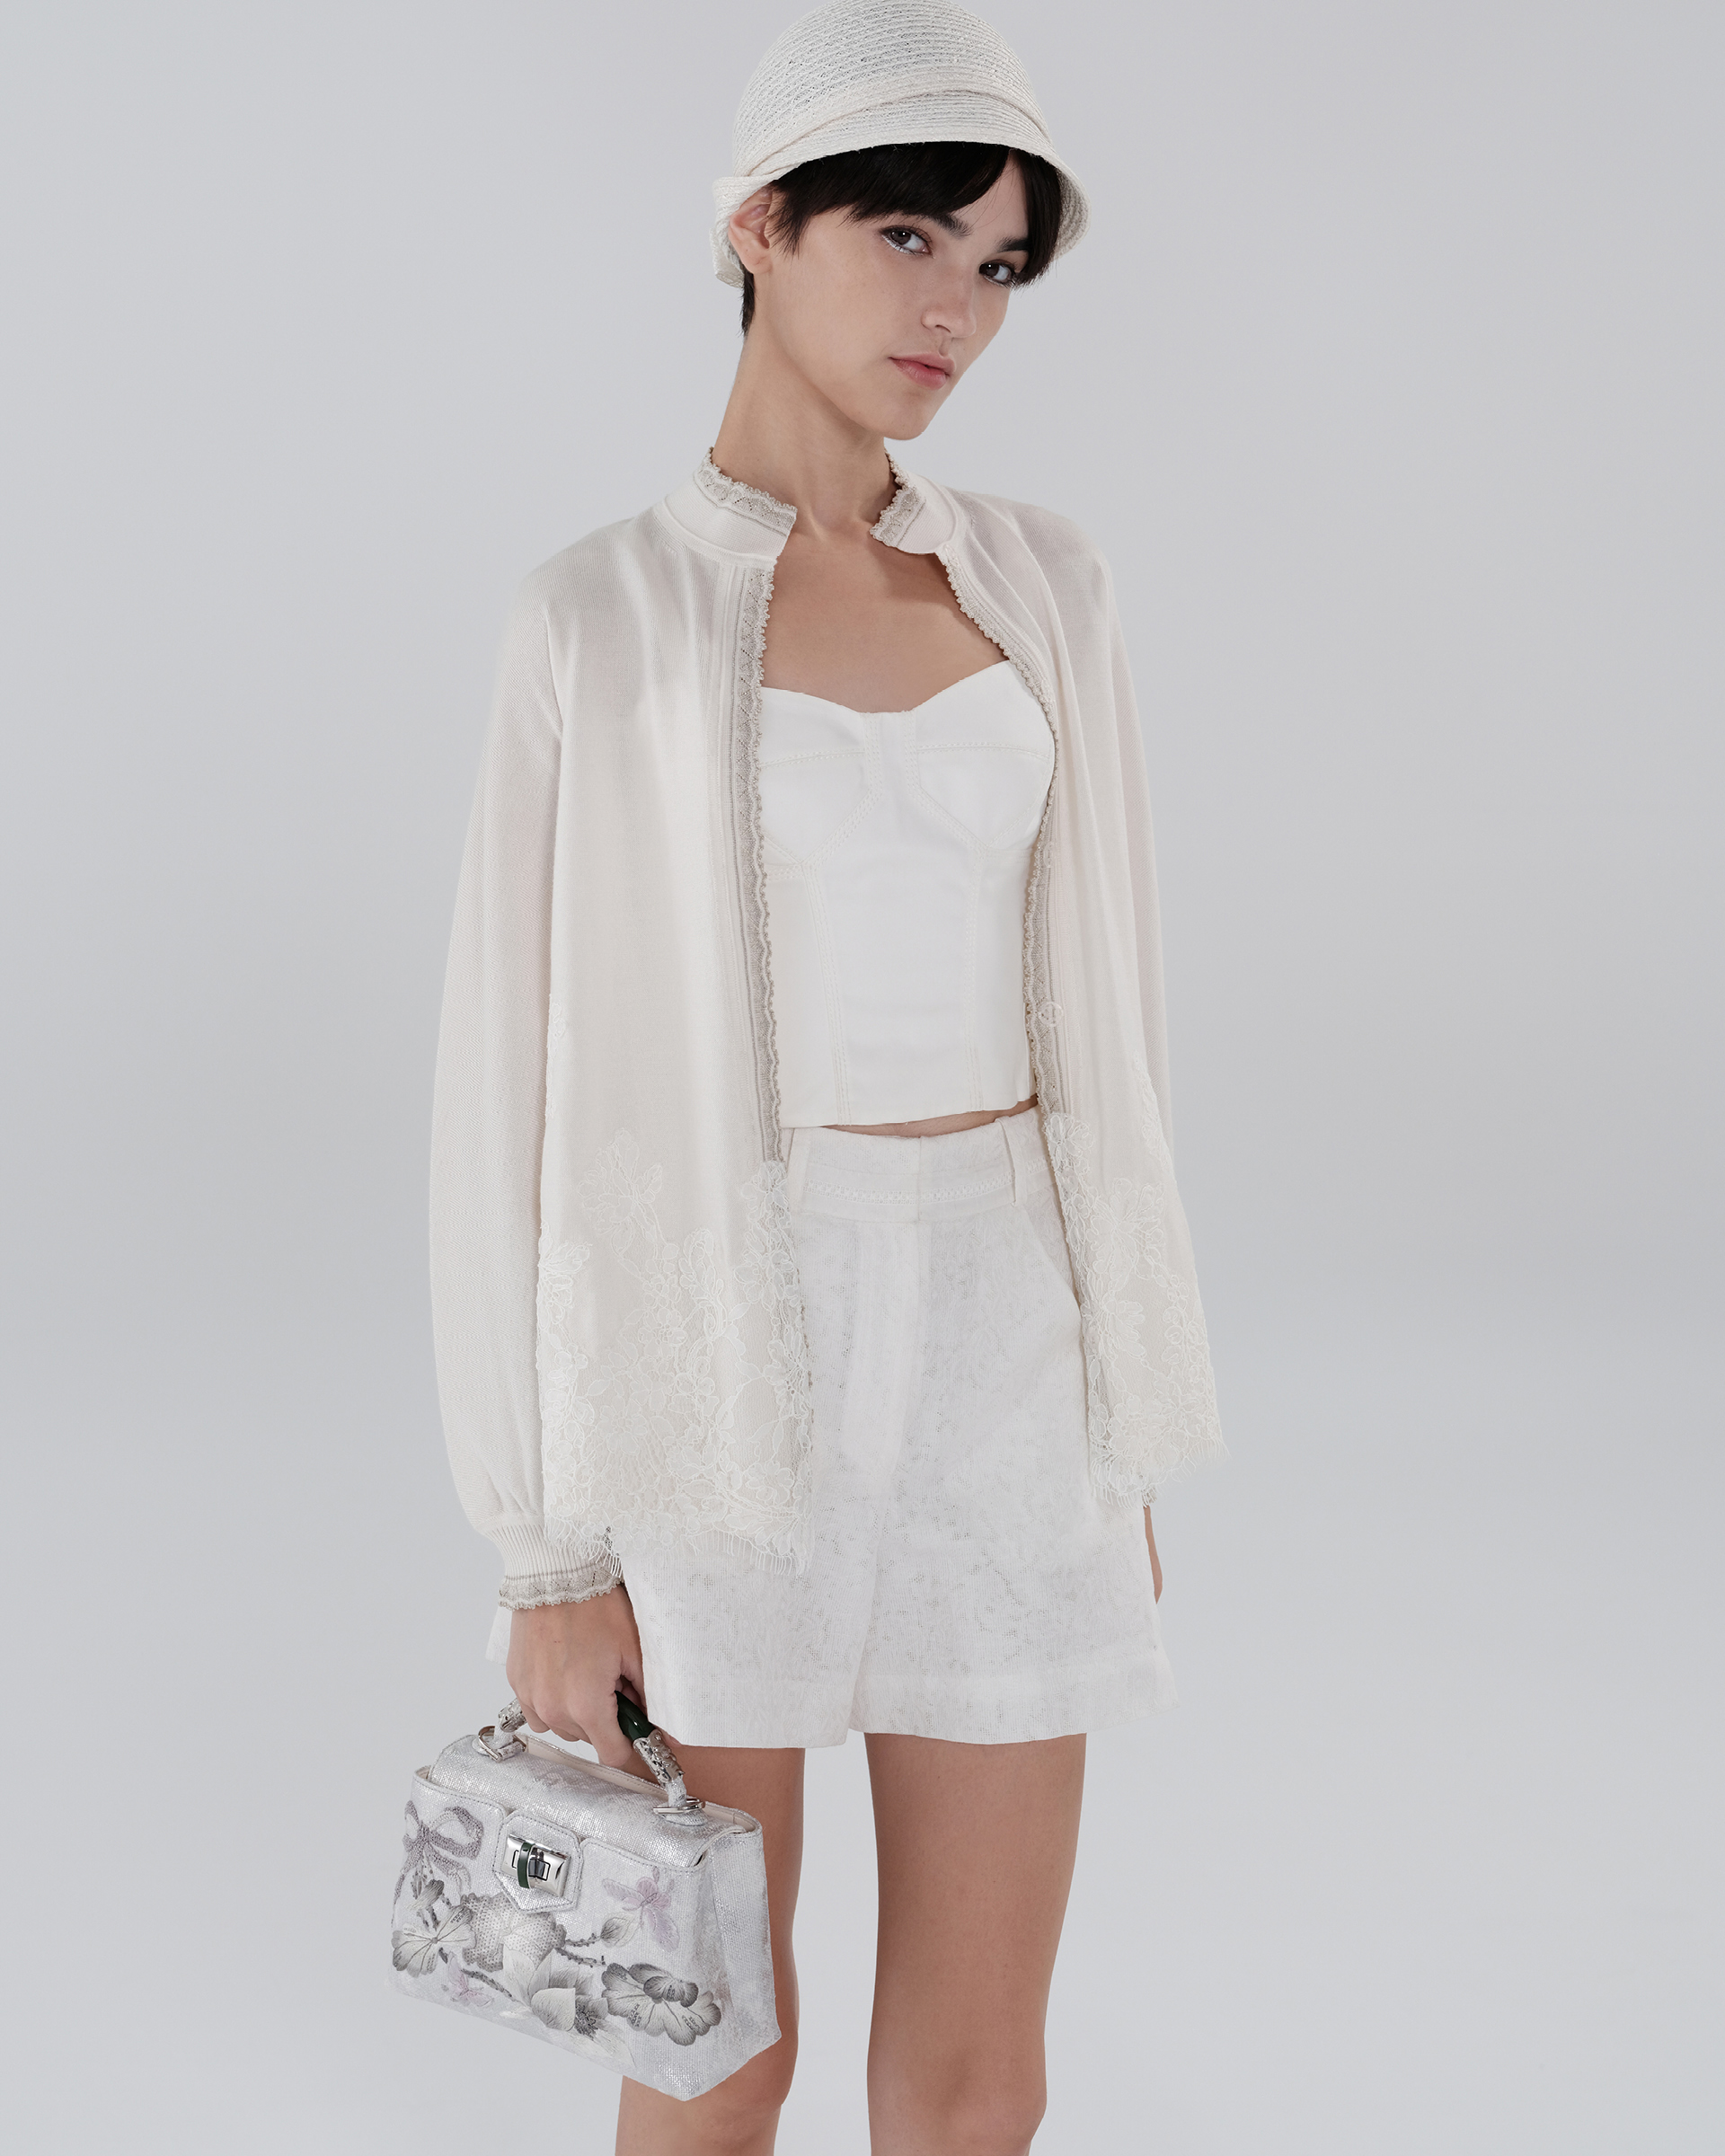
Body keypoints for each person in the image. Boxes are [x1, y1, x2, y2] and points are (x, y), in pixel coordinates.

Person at [429, 4, 1225, 2149]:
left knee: (976, 2078)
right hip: (714, 1367)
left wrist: (1121, 1404)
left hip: (1009, 1354)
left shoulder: (1046, 586)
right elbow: (501, 1103)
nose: (956, 308)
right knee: (712, 2044)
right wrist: (545, 1552)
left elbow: (1117, 1021)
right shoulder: (596, 619)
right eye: (908, 237)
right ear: (760, 224)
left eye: (999, 266)